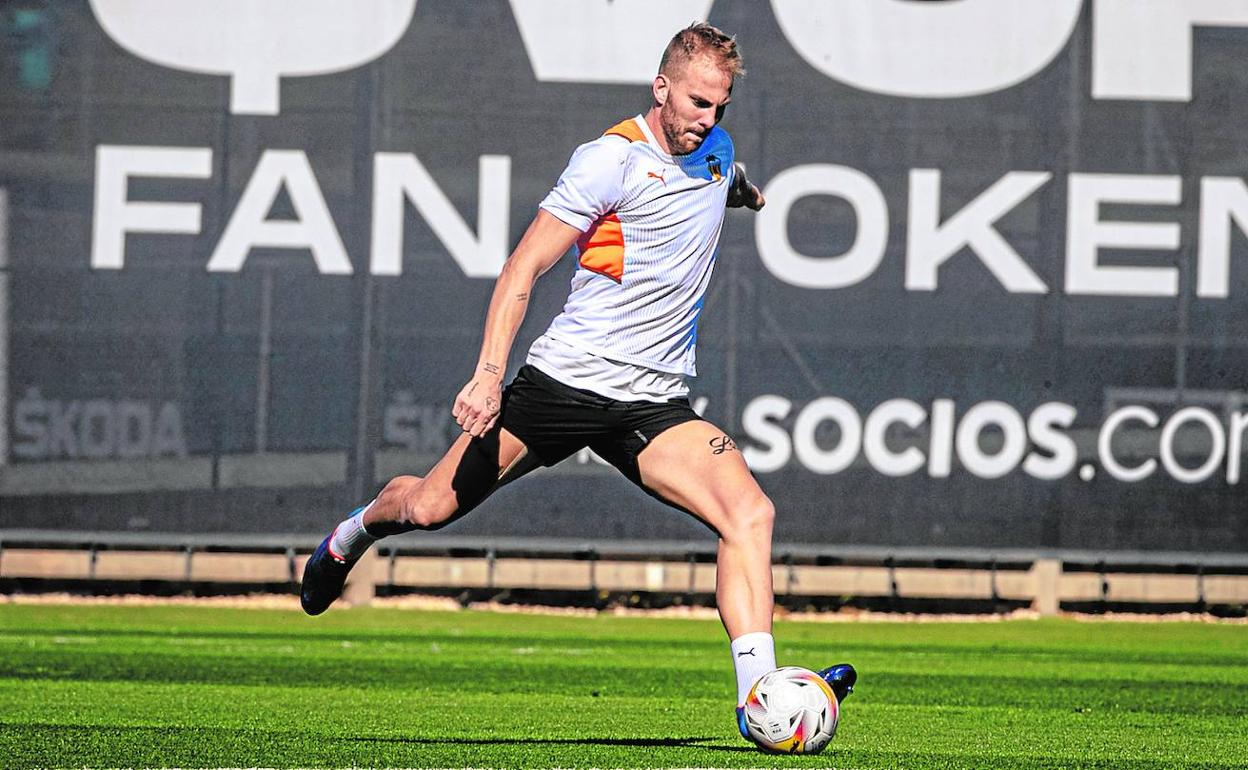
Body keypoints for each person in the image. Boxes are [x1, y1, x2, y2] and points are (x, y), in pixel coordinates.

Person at [300, 22, 855, 741]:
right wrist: (490, 375)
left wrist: (746, 193)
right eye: (694, 102)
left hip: (653, 404)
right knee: (431, 508)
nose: (706, 119)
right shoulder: (610, 161)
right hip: (562, 387)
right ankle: (353, 532)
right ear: (661, 88)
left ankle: (759, 699)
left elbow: (724, 175)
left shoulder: (715, 149)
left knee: (750, 514)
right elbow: (522, 269)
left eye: (718, 107)